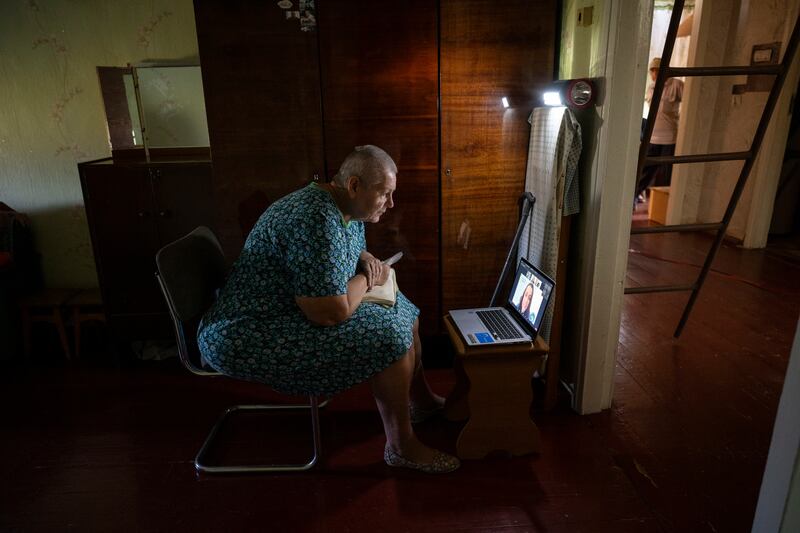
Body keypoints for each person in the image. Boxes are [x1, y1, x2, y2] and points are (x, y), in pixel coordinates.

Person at [197, 145, 459, 474]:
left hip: (286, 310)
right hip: (248, 330)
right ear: (354, 185)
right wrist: (367, 278)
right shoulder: (315, 218)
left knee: (405, 312)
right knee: (389, 337)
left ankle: (419, 403)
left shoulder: (342, 206)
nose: (391, 205)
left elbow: (347, 248)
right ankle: (401, 447)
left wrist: (365, 260)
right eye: (385, 194)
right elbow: (329, 313)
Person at [636, 57, 684, 204]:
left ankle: (664, 204)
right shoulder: (651, 87)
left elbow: (689, 103)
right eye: (652, 71)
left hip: (670, 137)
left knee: (666, 173)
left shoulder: (676, 85)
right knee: (646, 169)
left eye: (656, 70)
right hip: (652, 136)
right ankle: (634, 196)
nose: (654, 74)